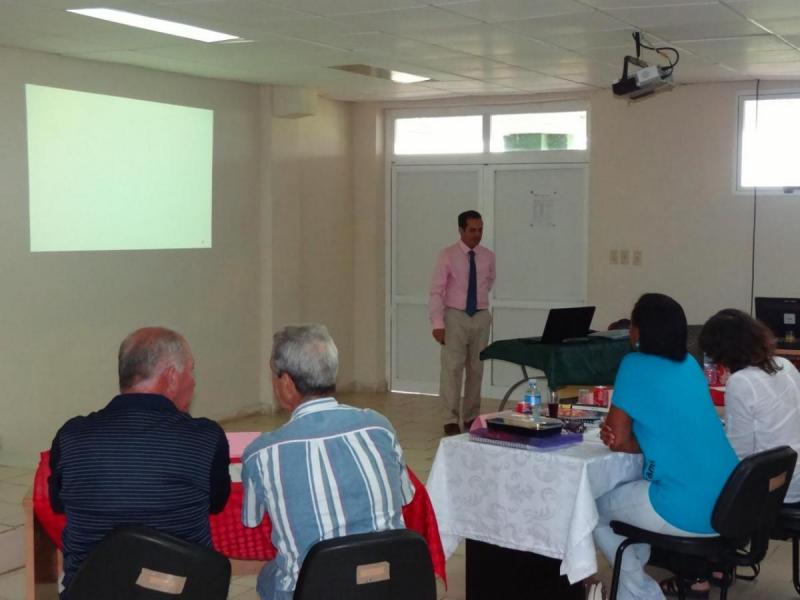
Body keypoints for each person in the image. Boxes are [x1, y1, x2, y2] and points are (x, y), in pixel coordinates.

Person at [49, 327, 231, 593]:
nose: (193, 381)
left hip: (90, 591)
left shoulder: (72, 436)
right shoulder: (205, 437)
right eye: (191, 371)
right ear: (171, 376)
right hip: (180, 591)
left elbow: (57, 503)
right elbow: (216, 504)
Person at [241, 324, 414, 600]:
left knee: (269, 576)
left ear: (285, 382)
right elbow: (406, 497)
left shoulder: (261, 453)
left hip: (314, 591)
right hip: (389, 583)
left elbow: (251, 522)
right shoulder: (380, 427)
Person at [593, 293, 738, 600]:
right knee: (632, 495)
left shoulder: (633, 364)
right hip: (730, 503)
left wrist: (624, 440)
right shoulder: (689, 365)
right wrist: (637, 441)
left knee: (591, 509)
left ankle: (639, 594)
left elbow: (617, 440)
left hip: (686, 508)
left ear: (639, 330)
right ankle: (630, 586)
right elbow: (655, 438)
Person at [665, 308, 800, 597]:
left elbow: (737, 453)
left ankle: (697, 576)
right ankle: (719, 566)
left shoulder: (742, 382)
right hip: (793, 471)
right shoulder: (784, 365)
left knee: (695, 488)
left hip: (773, 485)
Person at [429, 210, 496, 435]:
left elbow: (489, 282)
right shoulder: (447, 255)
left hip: (480, 315)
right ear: (461, 230)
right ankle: (450, 417)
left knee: (476, 369)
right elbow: (437, 291)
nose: (477, 235)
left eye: (480, 230)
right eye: (472, 230)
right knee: (452, 368)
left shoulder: (488, 256)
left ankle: (470, 416)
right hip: (455, 316)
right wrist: (438, 324)